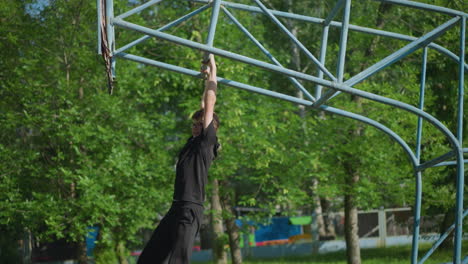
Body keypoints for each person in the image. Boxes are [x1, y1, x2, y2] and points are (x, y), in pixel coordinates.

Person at [137, 55, 219, 264]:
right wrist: (206, 77)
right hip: (176, 208)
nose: (194, 126)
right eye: (193, 123)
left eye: (198, 124)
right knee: (149, 258)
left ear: (209, 128)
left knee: (178, 260)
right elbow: (203, 104)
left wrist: (214, 70)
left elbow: (210, 102)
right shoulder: (193, 142)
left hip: (190, 208)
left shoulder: (206, 143)